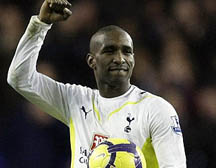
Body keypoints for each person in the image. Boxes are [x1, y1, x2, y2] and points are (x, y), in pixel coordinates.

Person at [7, 0, 186, 167]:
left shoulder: (156, 109)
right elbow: (20, 77)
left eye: (127, 51)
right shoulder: (75, 100)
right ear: (92, 61)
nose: (120, 58)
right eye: (110, 51)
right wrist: (39, 25)